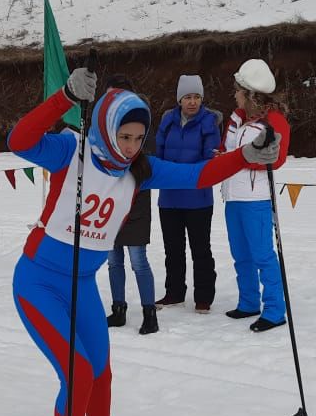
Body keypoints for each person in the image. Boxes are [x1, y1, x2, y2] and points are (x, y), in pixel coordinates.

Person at [8, 65, 280, 416]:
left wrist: (249, 155)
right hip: (38, 282)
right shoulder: (69, 151)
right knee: (77, 373)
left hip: (81, 284)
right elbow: (18, 140)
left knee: (100, 370)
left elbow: (199, 177)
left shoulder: (141, 170)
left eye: (139, 138)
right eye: (125, 137)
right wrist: (63, 98)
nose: (132, 147)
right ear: (106, 128)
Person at [219, 59, 291, 333]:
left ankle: (274, 310)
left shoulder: (274, 121)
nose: (235, 94)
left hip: (257, 198)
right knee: (241, 254)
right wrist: (224, 158)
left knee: (263, 255)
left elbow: (277, 158)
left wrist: (239, 160)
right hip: (233, 196)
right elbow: (227, 149)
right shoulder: (237, 118)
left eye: (238, 90)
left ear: (250, 93)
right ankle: (249, 301)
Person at [154, 74, 222, 313]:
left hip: (198, 199)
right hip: (169, 198)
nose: (192, 102)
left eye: (197, 97)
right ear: (179, 100)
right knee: (173, 249)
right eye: (188, 97)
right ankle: (174, 293)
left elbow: (208, 160)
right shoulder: (167, 121)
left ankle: (203, 297)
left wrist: (182, 174)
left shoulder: (209, 122)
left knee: (200, 249)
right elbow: (160, 156)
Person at [103, 73, 158, 335]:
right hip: (110, 203)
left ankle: (150, 314)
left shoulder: (141, 121)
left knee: (138, 261)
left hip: (135, 201)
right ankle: (118, 309)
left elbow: (151, 158)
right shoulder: (104, 124)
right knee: (113, 261)